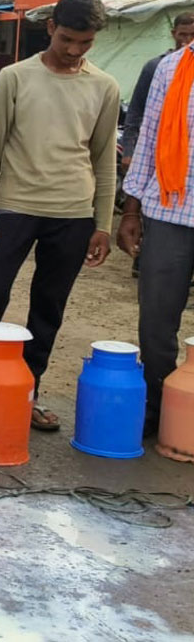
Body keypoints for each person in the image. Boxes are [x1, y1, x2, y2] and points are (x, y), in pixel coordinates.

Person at [0, 0, 118, 432]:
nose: (74, 50)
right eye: (67, 39)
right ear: (50, 28)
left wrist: (102, 224)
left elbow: (104, 159)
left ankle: (27, 394)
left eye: (85, 43)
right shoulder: (14, 77)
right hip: (14, 208)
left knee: (48, 308)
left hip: (73, 214)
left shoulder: (104, 86)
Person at [118, 25, 194, 437]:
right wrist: (130, 210)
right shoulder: (171, 67)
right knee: (156, 322)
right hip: (169, 210)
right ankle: (161, 411)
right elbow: (147, 138)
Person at [122, 13, 194, 165]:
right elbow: (136, 110)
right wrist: (128, 151)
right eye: (182, 34)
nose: (188, 40)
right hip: (158, 149)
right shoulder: (157, 67)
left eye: (193, 35)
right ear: (173, 34)